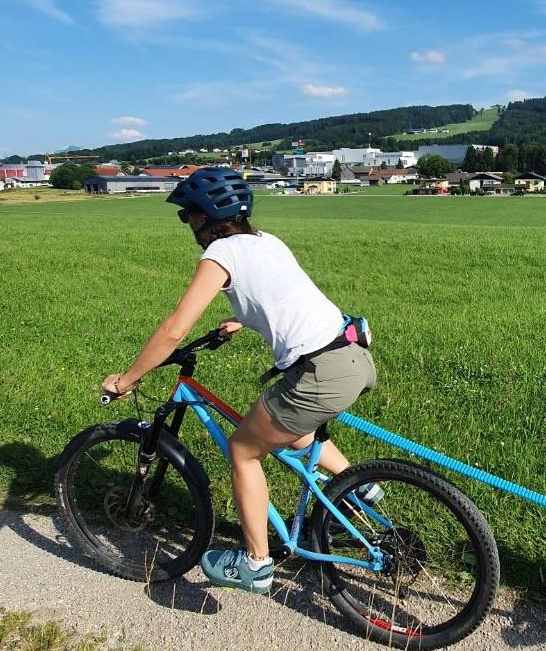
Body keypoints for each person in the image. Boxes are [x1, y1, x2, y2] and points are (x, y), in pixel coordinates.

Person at [102, 166, 377, 596]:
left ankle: (255, 565)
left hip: (320, 373)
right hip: (352, 356)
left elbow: (175, 329)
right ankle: (361, 489)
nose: (186, 224)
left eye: (187, 215)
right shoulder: (265, 241)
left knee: (243, 449)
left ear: (207, 215)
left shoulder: (221, 255)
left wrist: (128, 379)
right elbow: (279, 296)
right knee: (290, 431)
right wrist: (241, 319)